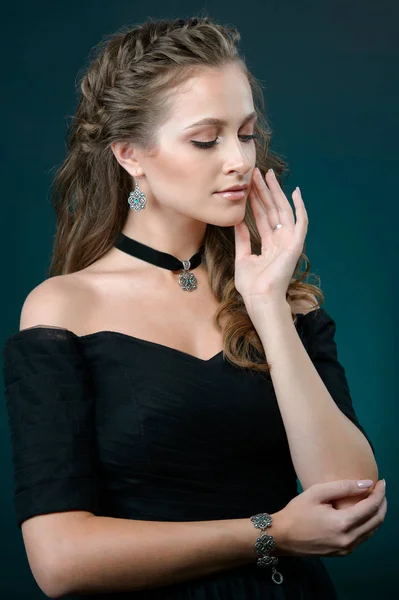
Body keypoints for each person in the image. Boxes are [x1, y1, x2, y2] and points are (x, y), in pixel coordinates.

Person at [2, 15, 386, 600]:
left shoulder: (283, 298)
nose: (239, 160)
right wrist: (271, 533)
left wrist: (267, 308)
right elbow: (59, 561)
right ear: (131, 154)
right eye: (206, 139)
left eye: (247, 133)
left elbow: (349, 499)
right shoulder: (65, 308)